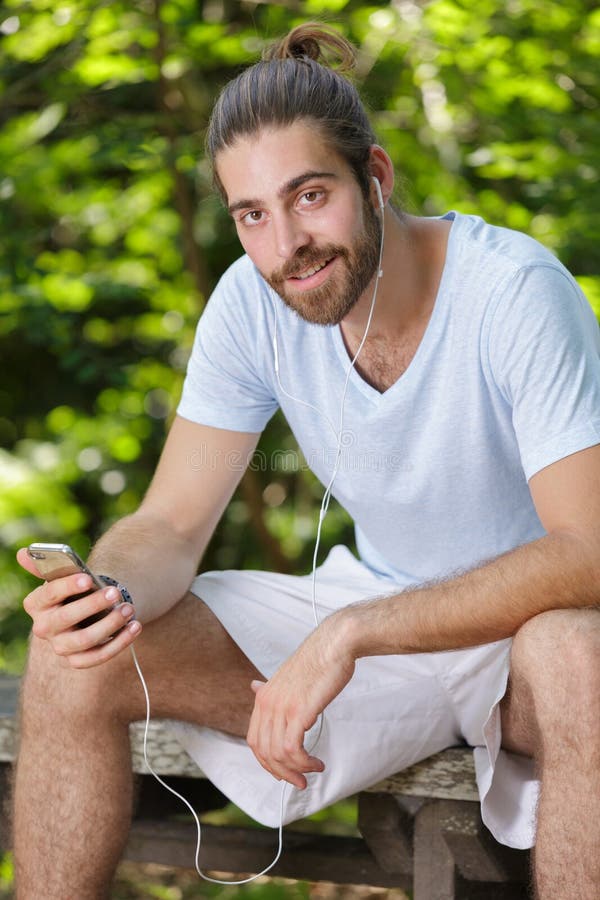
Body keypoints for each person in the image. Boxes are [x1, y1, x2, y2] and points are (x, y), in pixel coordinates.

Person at [12, 22, 600, 900]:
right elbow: (170, 524)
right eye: (252, 214)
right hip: (379, 606)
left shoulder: (515, 293)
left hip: (520, 639)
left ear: (376, 177)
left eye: (310, 195)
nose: (286, 243)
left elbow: (587, 551)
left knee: (576, 657)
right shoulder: (252, 302)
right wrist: (111, 594)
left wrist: (351, 632)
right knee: (75, 656)